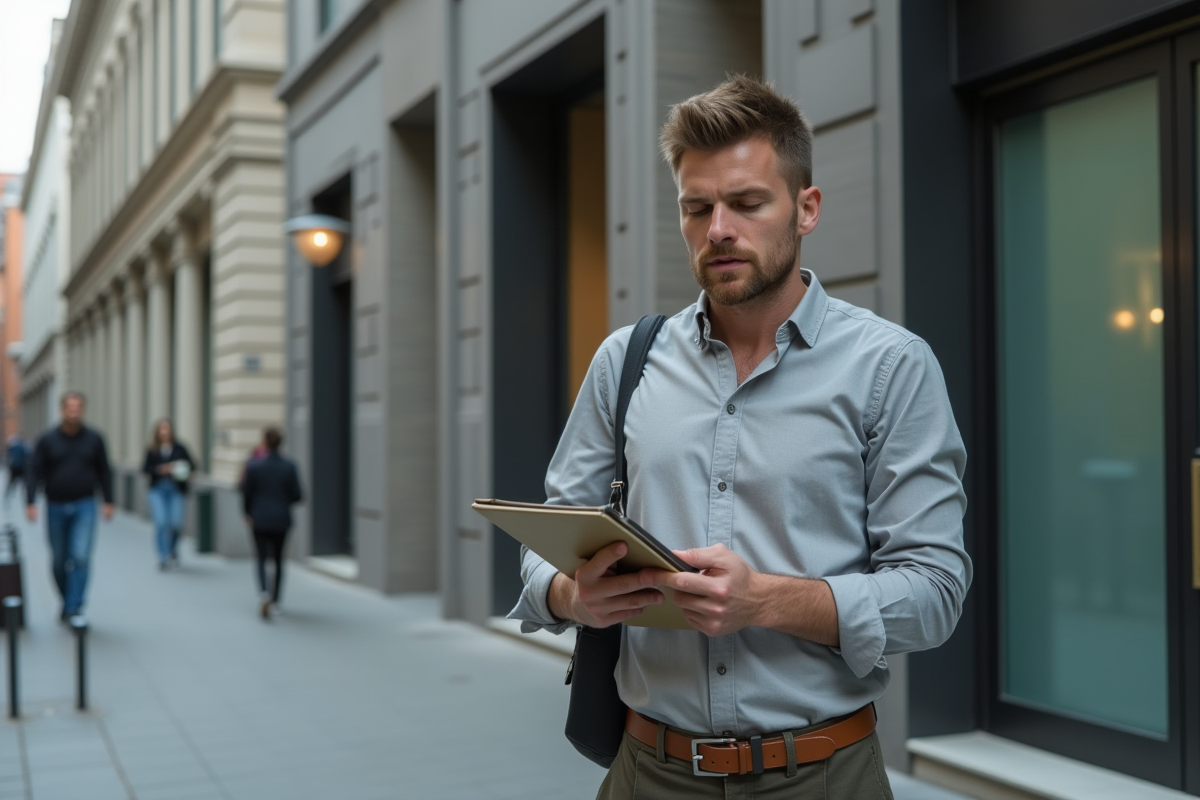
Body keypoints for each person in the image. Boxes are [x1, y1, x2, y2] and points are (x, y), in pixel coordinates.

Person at [509, 76, 971, 799]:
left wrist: (766, 601)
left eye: (748, 203)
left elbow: (935, 593)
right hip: (646, 772)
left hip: (823, 776)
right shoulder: (625, 361)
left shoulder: (890, 366)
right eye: (697, 208)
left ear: (806, 207)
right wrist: (574, 596)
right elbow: (544, 552)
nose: (719, 227)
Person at [26, 392, 114, 621]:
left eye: (78, 407)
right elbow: (34, 470)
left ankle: (74, 606)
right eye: (70, 407)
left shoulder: (94, 439)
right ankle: (67, 599)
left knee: (81, 556)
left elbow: (105, 470)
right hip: (55, 505)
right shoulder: (47, 440)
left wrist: (108, 500)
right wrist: (30, 501)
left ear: (82, 410)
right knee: (58, 560)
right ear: (62, 410)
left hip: (85, 504)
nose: (74, 411)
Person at [240, 427, 303, 619]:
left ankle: (263, 593)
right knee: (278, 560)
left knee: (260, 557)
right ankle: (276, 601)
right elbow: (298, 495)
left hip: (259, 518)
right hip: (281, 519)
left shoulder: (254, 465)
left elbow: (246, 493)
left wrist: (247, 513)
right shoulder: (289, 466)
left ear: (265, 442)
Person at [141, 419, 196, 570]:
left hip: (175, 489)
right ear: (157, 432)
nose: (164, 432)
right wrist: (160, 470)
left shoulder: (180, 448)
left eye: (167, 429)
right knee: (161, 522)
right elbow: (145, 468)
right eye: (162, 429)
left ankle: (172, 549)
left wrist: (177, 469)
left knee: (176, 523)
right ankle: (163, 556)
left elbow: (192, 465)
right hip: (158, 489)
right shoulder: (152, 449)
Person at [4, 434, 28, 506]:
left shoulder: (13, 447)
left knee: (11, 483)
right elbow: (26, 456)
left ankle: (7, 496)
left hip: (14, 467)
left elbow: (9, 456)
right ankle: (24, 495)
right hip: (20, 467)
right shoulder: (22, 447)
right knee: (22, 483)